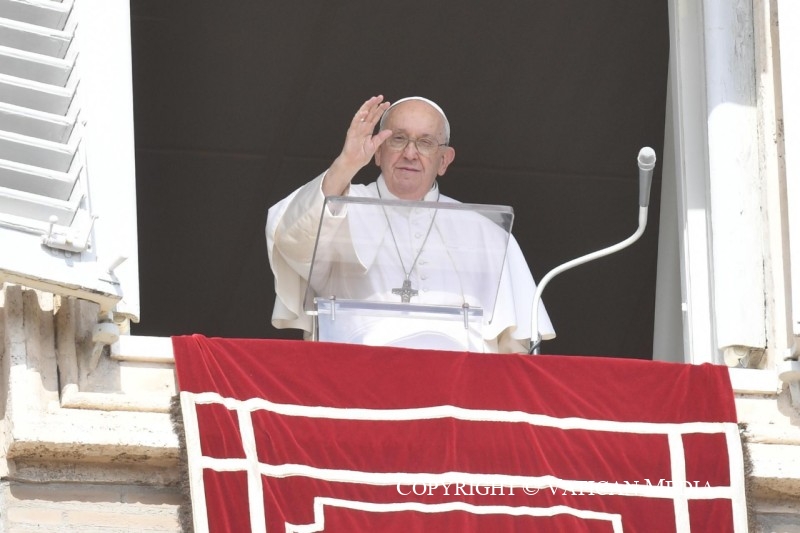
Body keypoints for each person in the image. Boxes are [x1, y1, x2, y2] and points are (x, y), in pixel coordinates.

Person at [266, 95, 554, 353]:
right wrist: (346, 164)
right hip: (355, 377)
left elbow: (515, 347)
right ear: (378, 152)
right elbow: (291, 238)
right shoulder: (338, 206)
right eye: (398, 139)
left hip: (458, 385)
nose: (410, 153)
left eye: (425, 143)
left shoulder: (487, 234)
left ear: (444, 160)